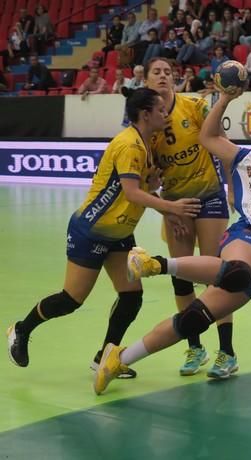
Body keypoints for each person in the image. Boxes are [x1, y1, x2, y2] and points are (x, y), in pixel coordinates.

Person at [93, 86, 251, 395]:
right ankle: (155, 264)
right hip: (246, 233)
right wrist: (226, 100)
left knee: (192, 320)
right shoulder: (247, 157)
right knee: (237, 270)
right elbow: (207, 137)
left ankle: (118, 358)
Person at [7, 88, 201, 373]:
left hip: (120, 232)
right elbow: (132, 193)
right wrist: (172, 209)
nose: (165, 113)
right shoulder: (129, 145)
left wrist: (161, 203)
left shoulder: (147, 142)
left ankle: (104, 358)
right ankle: (21, 330)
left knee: (132, 297)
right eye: (160, 110)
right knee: (71, 300)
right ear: (145, 114)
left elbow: (141, 190)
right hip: (92, 231)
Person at [142, 57, 239, 379]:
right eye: (156, 72)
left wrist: (230, 187)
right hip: (175, 204)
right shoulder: (146, 120)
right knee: (182, 277)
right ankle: (195, 347)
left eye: (168, 72)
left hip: (209, 196)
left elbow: (220, 143)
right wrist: (166, 204)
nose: (163, 76)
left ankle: (227, 352)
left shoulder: (194, 105)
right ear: (145, 79)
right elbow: (147, 177)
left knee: (217, 275)